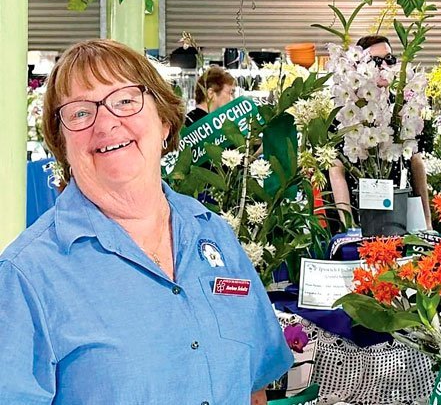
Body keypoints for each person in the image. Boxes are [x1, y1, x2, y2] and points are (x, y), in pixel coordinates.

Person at [0, 39, 292, 404]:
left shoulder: (213, 234)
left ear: (165, 121)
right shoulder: (27, 275)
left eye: (125, 100)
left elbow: (253, 389)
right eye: (79, 113)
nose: (106, 123)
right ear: (62, 145)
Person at [328, 35, 432, 229]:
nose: (384, 66)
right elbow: (336, 169)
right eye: (376, 61)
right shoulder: (344, 107)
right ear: (359, 65)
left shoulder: (402, 105)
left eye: (389, 59)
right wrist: (348, 225)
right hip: (359, 212)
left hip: (401, 209)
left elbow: (416, 162)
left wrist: (427, 221)